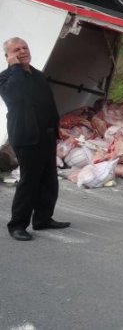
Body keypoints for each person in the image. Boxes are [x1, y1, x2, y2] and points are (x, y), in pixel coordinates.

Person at [0, 37, 69, 241]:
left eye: (25, 47)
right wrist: (15, 68)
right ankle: (17, 225)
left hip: (46, 135)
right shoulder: (6, 78)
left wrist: (56, 127)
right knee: (29, 182)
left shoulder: (37, 75)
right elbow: (17, 96)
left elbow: (48, 103)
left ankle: (43, 219)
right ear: (8, 56)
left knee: (49, 181)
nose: (22, 51)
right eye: (16, 49)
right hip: (27, 137)